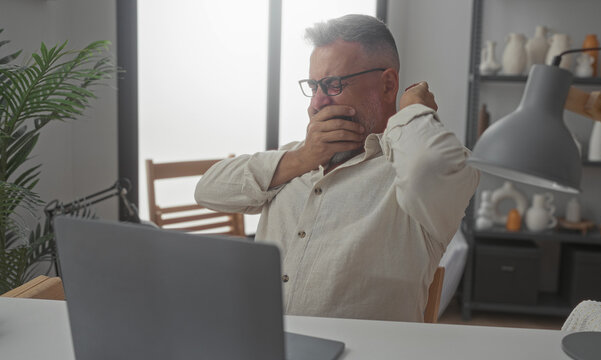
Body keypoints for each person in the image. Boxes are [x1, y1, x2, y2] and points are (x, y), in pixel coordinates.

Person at [195, 14, 479, 322]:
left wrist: (412, 108)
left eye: (332, 85)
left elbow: (429, 165)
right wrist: (303, 157)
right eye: (314, 86)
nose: (316, 103)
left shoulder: (414, 170)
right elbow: (208, 190)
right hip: (264, 344)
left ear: (387, 85)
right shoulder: (294, 160)